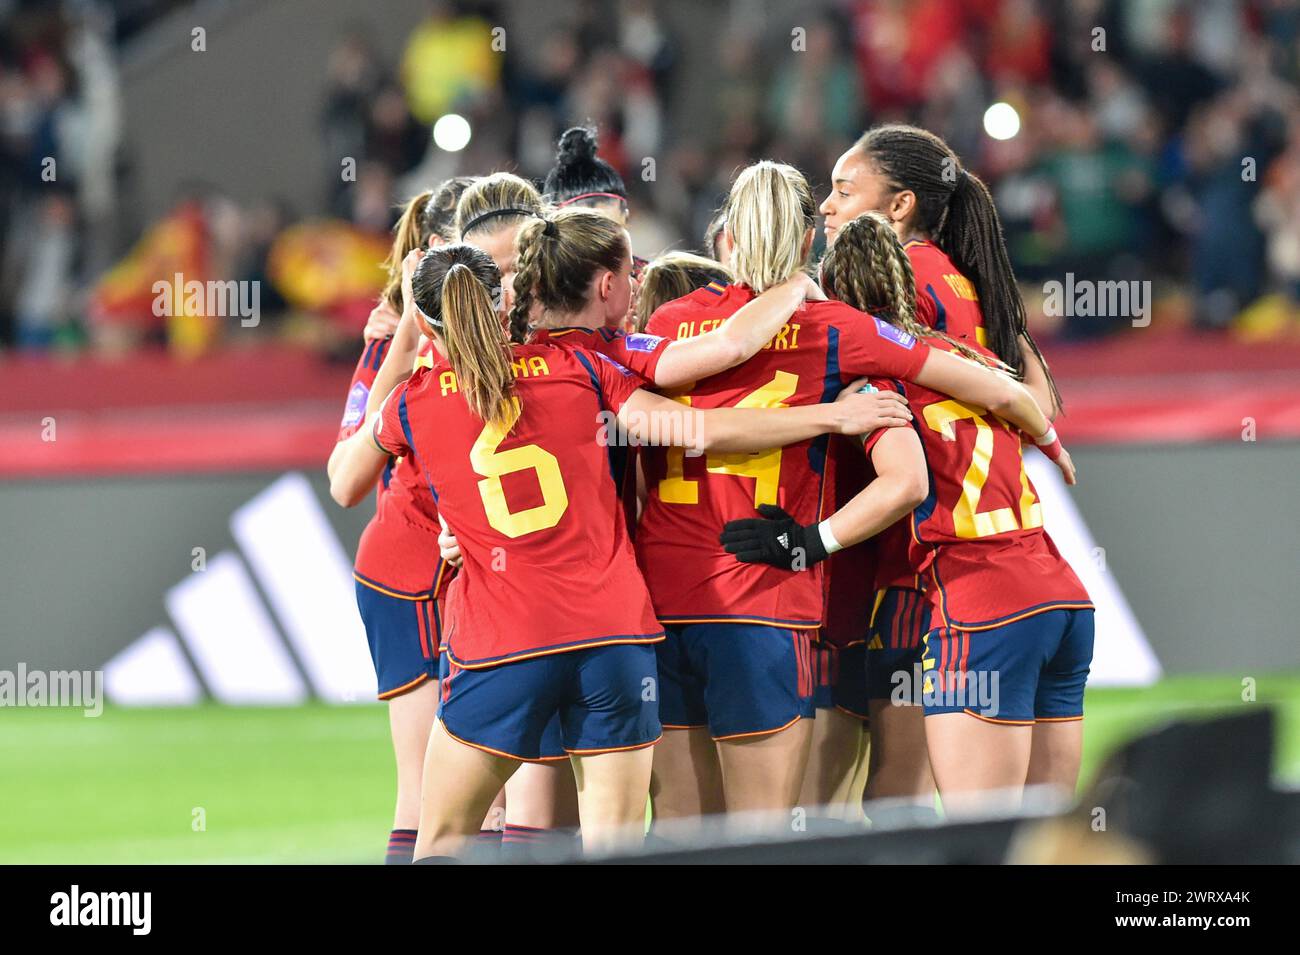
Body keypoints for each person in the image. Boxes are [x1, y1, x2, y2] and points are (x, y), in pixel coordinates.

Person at [328, 243, 904, 858]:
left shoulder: (409, 404)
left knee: (440, 837)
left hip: (502, 643)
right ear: (506, 303)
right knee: (616, 847)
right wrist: (828, 418)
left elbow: (348, 479)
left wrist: (399, 356)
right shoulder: (578, 365)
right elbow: (702, 428)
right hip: (614, 640)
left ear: (424, 321)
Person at [637, 161, 1070, 820]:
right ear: (809, 237)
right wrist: (1046, 434)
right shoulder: (839, 328)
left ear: (727, 236)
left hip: (665, 595)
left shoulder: (668, 321)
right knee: (763, 830)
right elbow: (989, 387)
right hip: (765, 598)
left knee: (675, 827)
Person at [746, 211, 1092, 815]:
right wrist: (1053, 444)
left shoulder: (875, 382)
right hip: (1060, 595)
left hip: (979, 602)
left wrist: (808, 541)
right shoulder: (969, 357)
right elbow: (1031, 397)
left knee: (974, 831)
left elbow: (905, 485)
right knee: (1047, 838)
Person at [818, 124, 1061, 806]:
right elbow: (1035, 400)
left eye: (843, 191)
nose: (827, 209)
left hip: (909, 567)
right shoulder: (968, 278)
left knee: (884, 785)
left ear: (899, 207)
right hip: (993, 558)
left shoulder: (898, 285)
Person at [324, 176, 470, 864]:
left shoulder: (512, 324)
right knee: (434, 791)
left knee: (491, 789)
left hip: (475, 566)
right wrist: (409, 326)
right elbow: (345, 472)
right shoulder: (390, 341)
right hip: (413, 568)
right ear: (438, 249)